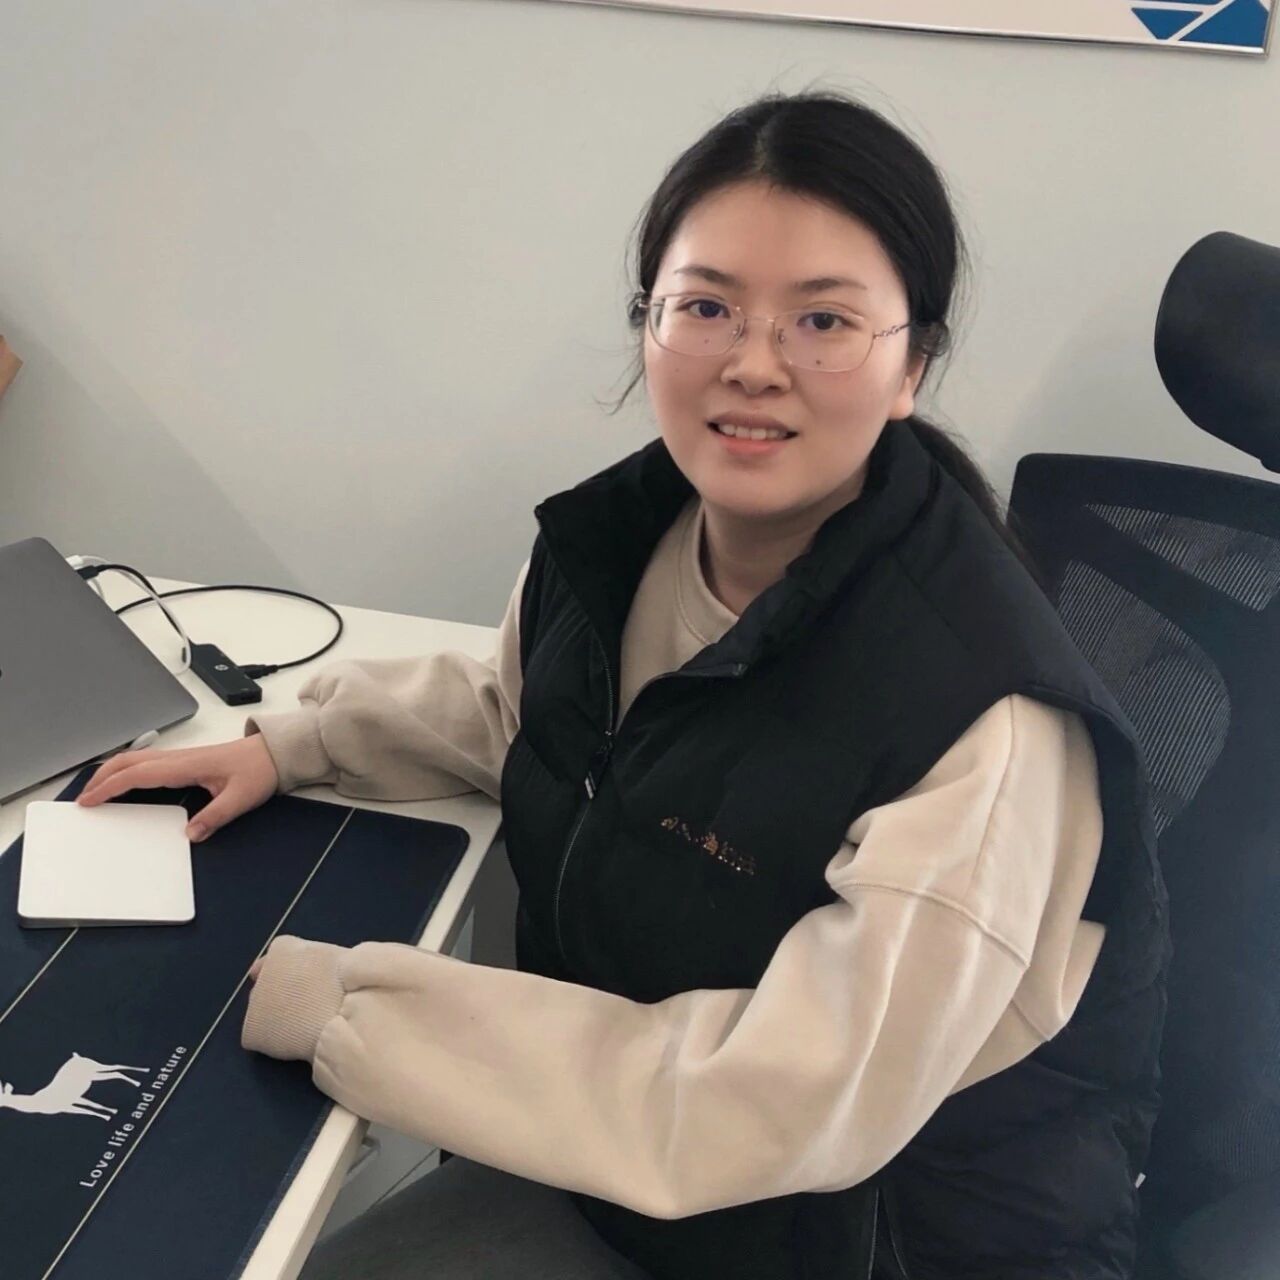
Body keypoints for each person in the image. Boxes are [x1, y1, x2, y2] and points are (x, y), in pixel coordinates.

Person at [76, 91, 1169, 1279]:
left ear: (911, 364)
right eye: (705, 306)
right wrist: (288, 745)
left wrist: (347, 1010)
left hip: (857, 1237)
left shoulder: (983, 719)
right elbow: (529, 713)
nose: (752, 364)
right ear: (645, 322)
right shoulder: (622, 538)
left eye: (822, 320)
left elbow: (767, 1103)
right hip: (632, 1170)